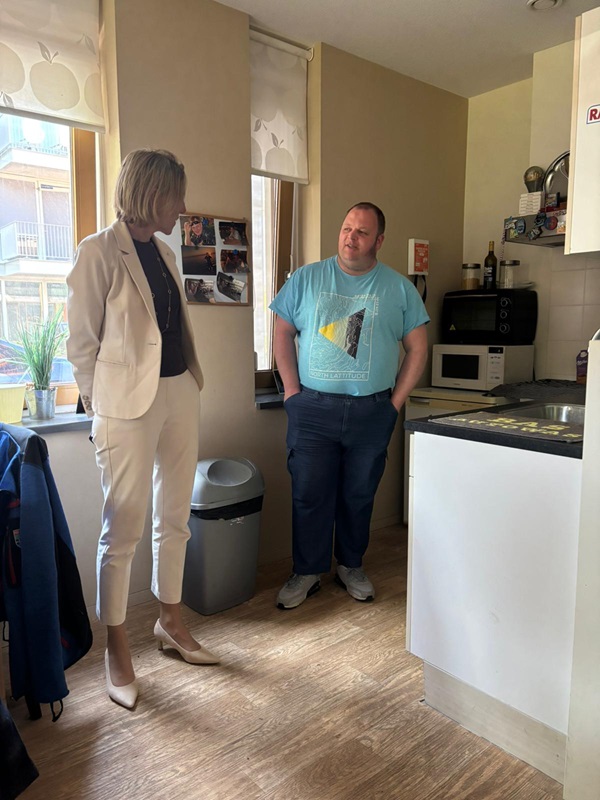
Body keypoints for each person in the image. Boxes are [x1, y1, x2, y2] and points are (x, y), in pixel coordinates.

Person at [66, 149, 219, 710]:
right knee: (122, 527)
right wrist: (100, 409)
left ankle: (169, 622)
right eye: (177, 195)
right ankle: (116, 645)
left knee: (174, 516)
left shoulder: (165, 252)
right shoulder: (98, 251)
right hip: (124, 407)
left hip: (179, 391)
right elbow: (81, 344)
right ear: (153, 194)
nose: (183, 205)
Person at [270, 202, 429, 610]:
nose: (350, 238)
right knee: (309, 494)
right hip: (312, 409)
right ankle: (307, 571)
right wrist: (291, 393)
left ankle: (351, 565)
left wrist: (394, 404)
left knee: (359, 495)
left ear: (379, 240)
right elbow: (282, 332)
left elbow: (418, 348)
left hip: (372, 412)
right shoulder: (306, 279)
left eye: (361, 232)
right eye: (346, 228)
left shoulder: (399, 289)